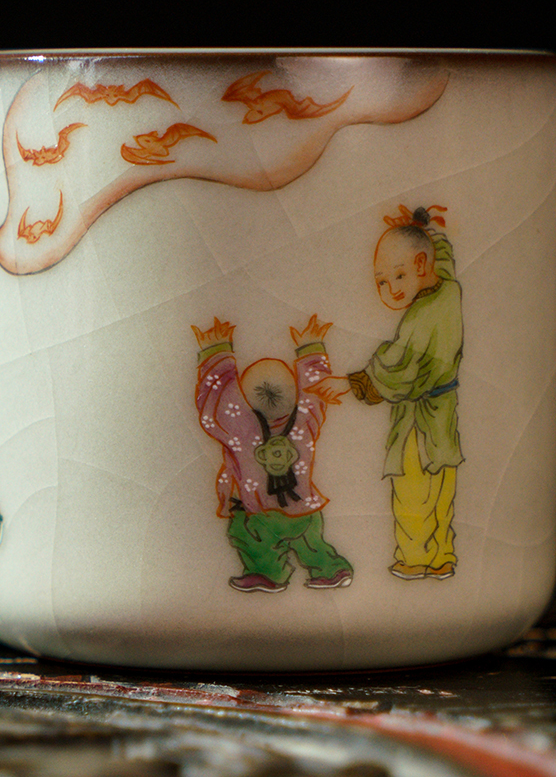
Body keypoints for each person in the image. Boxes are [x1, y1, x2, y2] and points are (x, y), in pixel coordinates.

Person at [311, 206, 464, 580]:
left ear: (421, 264)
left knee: (413, 491)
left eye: (399, 275)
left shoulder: (421, 317)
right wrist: (422, 227)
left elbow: (399, 365)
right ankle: (441, 555)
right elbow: (443, 257)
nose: (391, 289)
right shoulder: (449, 288)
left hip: (419, 421)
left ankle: (413, 559)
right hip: (445, 417)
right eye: (381, 281)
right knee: (442, 487)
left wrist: (349, 382)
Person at [192, 313, 353, 593]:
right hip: (304, 511)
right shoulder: (303, 423)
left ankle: (267, 573)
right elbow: (316, 395)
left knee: (248, 537)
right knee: (311, 543)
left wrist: (216, 353)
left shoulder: (240, 429)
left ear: (244, 401)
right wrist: (310, 349)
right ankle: (331, 569)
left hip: (259, 514)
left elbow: (218, 401)